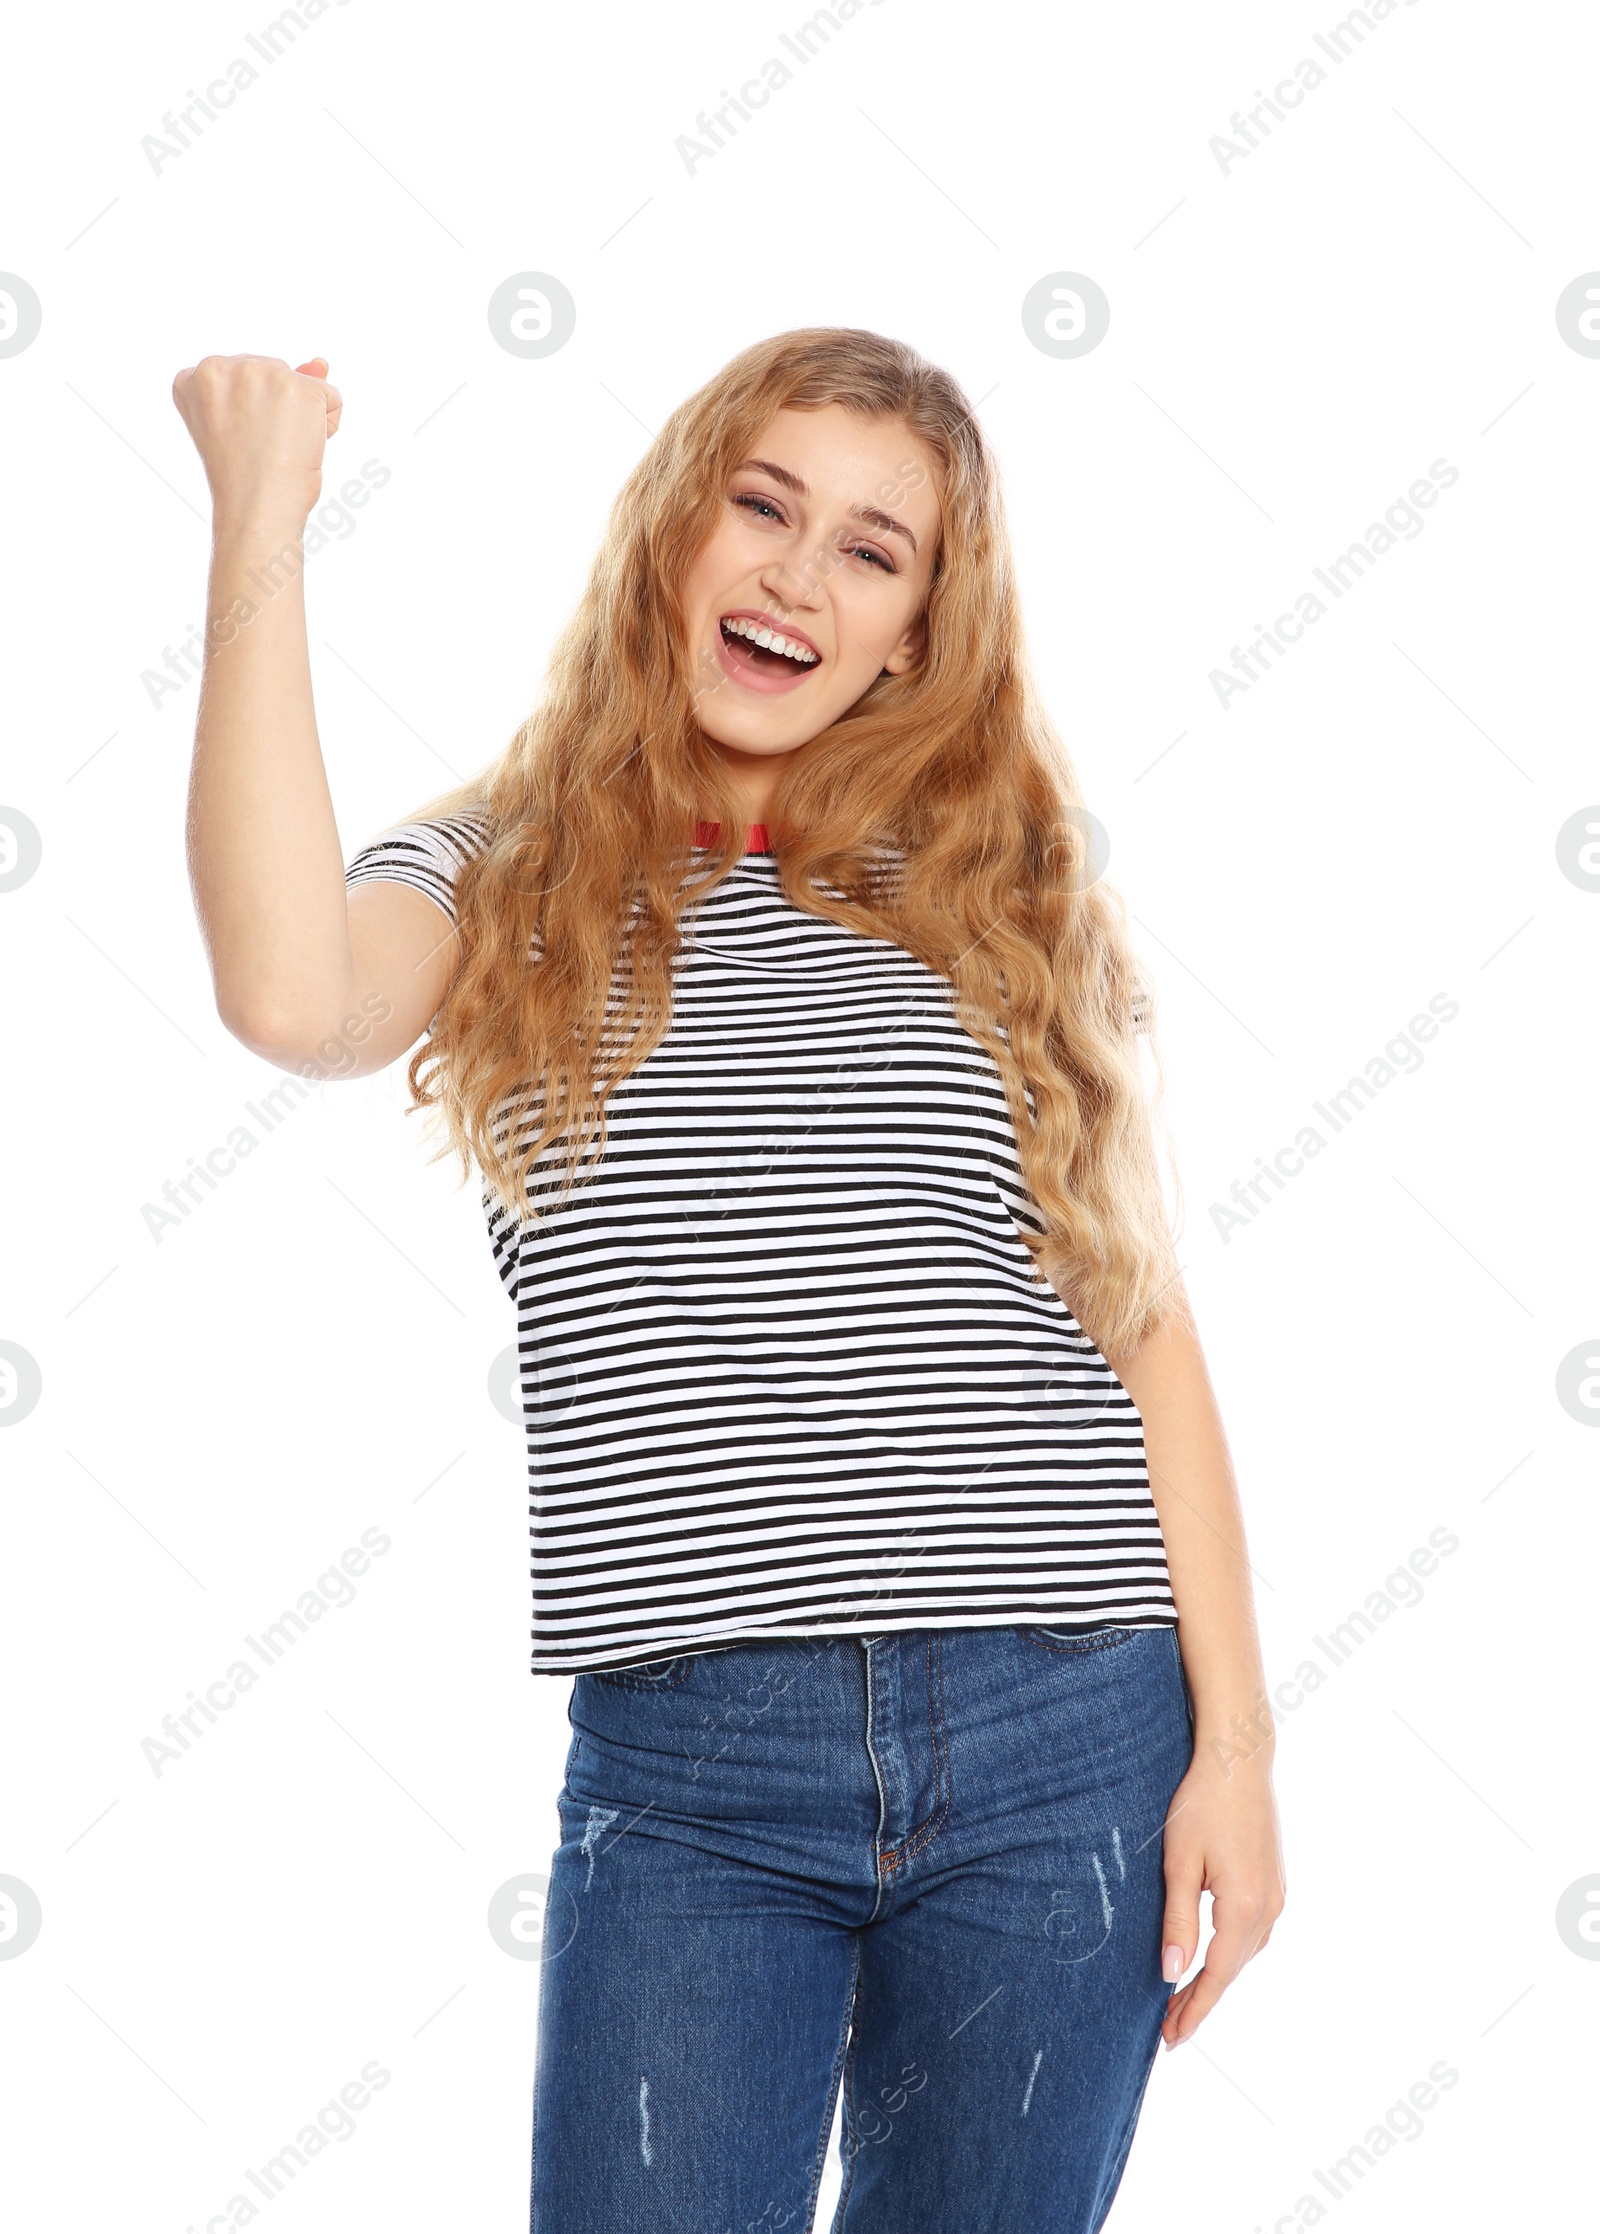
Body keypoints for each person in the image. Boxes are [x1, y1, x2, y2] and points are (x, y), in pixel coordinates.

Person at [174, 326, 1285, 2234]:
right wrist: (259, 526)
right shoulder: (500, 868)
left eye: (872, 549)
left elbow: (1140, 1327)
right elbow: (288, 988)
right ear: (673, 539)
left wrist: (1240, 1754)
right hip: (697, 1758)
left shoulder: (990, 888)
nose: (796, 571)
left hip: (1066, 1726)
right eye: (760, 507)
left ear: (914, 634)